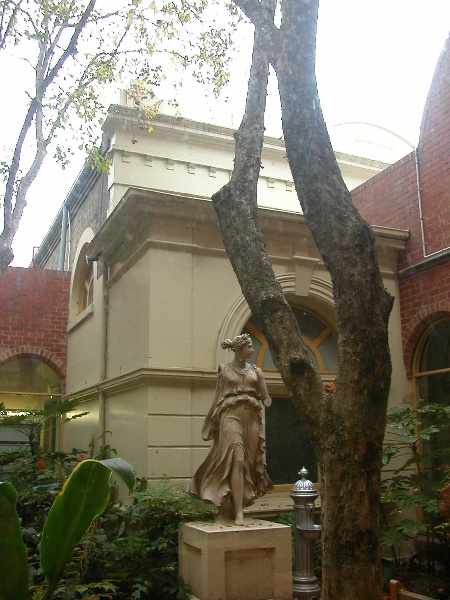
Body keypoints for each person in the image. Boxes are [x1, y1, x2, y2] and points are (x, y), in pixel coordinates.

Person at [189, 333, 273, 525]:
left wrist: (267, 400)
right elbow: (217, 397)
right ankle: (239, 513)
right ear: (240, 349)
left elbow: (265, 396)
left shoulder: (256, 372)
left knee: (248, 463)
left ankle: (237, 504)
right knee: (238, 458)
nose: (252, 350)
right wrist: (210, 420)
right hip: (230, 416)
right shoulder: (225, 370)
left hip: (251, 418)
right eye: (250, 347)